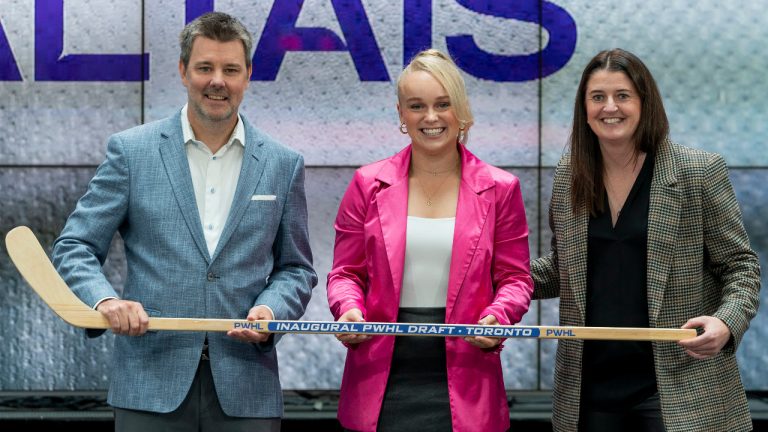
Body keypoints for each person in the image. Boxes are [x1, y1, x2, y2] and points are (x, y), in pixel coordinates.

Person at [51, 12, 317, 432]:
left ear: (248, 75)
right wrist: (105, 301)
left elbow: (296, 268)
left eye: (231, 69)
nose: (218, 81)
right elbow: (74, 245)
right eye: (205, 67)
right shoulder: (132, 152)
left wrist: (271, 309)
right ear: (182, 71)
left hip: (246, 389)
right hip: (149, 385)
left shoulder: (283, 164)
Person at [532, 48, 761, 432]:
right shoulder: (568, 174)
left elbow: (741, 266)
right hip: (589, 390)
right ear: (584, 107)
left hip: (681, 384)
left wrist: (726, 323)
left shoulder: (698, 172)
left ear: (644, 102)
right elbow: (561, 269)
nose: (610, 108)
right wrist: (497, 277)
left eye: (623, 95)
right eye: (598, 97)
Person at [326, 48, 534, 432]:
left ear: (461, 111)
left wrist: (497, 317)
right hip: (378, 375)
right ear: (401, 114)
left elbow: (516, 280)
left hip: (469, 376)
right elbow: (344, 274)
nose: (431, 117)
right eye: (417, 106)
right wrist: (348, 310)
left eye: (443, 104)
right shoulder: (366, 184)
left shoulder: (502, 189)